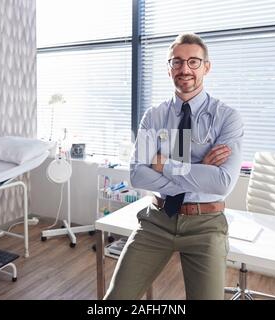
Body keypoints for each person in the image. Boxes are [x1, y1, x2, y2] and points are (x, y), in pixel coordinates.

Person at [104, 33, 244, 300]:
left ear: (207, 67)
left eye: (194, 61)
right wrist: (199, 169)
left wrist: (161, 162)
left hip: (206, 224)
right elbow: (136, 175)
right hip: (158, 218)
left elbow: (221, 182)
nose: (185, 69)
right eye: (177, 62)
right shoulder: (154, 116)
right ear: (168, 69)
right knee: (115, 299)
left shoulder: (227, 118)